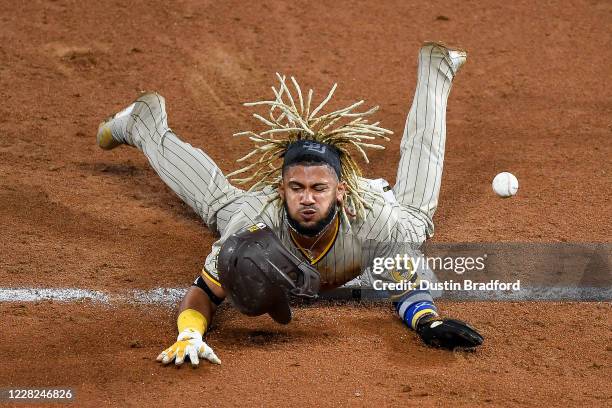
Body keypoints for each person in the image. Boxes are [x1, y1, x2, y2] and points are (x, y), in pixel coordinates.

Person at [96, 42, 483, 367]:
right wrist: (189, 333)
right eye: (296, 187)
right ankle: (143, 124)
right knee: (222, 209)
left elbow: (408, 288)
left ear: (341, 191)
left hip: (366, 222)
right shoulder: (255, 221)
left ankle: (436, 71)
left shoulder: (376, 220)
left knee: (414, 224)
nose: (308, 198)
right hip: (259, 217)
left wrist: (429, 323)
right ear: (281, 190)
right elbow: (204, 289)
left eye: (319, 188)